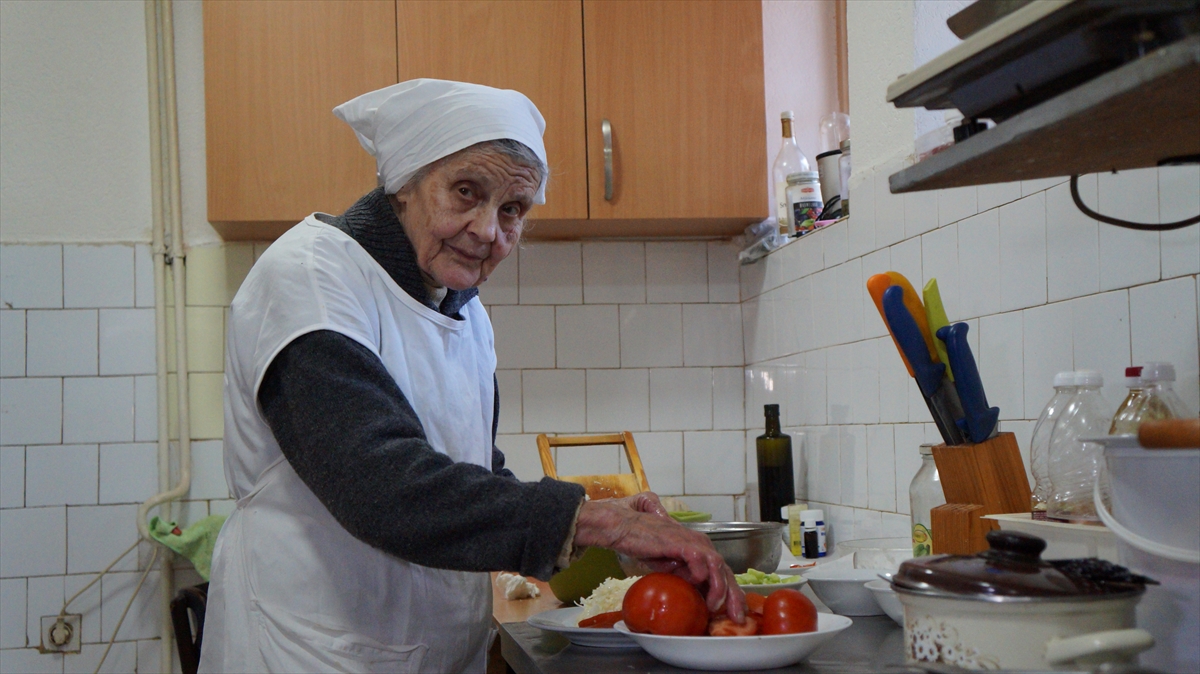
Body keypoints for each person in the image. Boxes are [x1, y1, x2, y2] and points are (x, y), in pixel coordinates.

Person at [198, 79, 744, 674]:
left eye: (512, 209)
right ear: (404, 185)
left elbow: (471, 473)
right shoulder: (310, 277)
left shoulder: (465, 312)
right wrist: (599, 520)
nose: (488, 230)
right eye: (466, 192)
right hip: (309, 651)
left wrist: (602, 527)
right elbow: (381, 485)